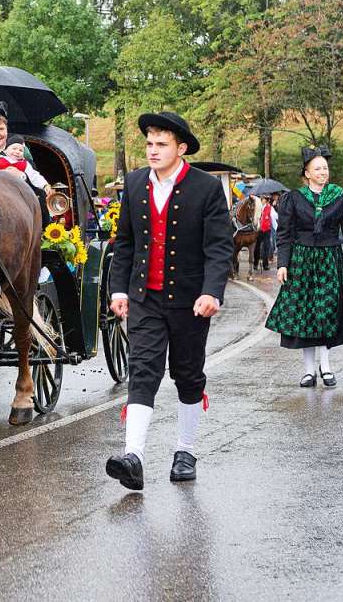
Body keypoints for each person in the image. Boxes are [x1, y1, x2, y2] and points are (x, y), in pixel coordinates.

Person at [105, 112, 233, 491]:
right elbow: (125, 242)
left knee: (187, 374)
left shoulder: (206, 188)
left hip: (190, 300)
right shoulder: (133, 183)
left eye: (161, 144)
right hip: (145, 296)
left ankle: (186, 450)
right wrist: (118, 289)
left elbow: (219, 247)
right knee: (142, 370)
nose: (153, 151)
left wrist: (212, 292)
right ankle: (134, 456)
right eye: (149, 144)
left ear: (180, 148)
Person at [265, 146, 343, 388]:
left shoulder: (342, 198)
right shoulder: (294, 199)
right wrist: (283, 264)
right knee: (305, 316)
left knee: (327, 312)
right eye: (318, 168)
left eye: (325, 168)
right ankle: (309, 371)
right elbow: (285, 234)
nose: (323, 172)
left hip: (330, 260)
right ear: (307, 174)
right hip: (301, 262)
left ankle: (326, 366)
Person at [253, 195, 274, 271]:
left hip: (267, 230)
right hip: (259, 230)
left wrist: (276, 227)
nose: (265, 200)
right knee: (257, 247)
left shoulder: (270, 208)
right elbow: (254, 218)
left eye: (267, 199)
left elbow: (273, 218)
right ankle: (255, 263)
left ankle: (265, 264)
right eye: (264, 199)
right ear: (261, 199)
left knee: (266, 247)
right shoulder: (257, 207)